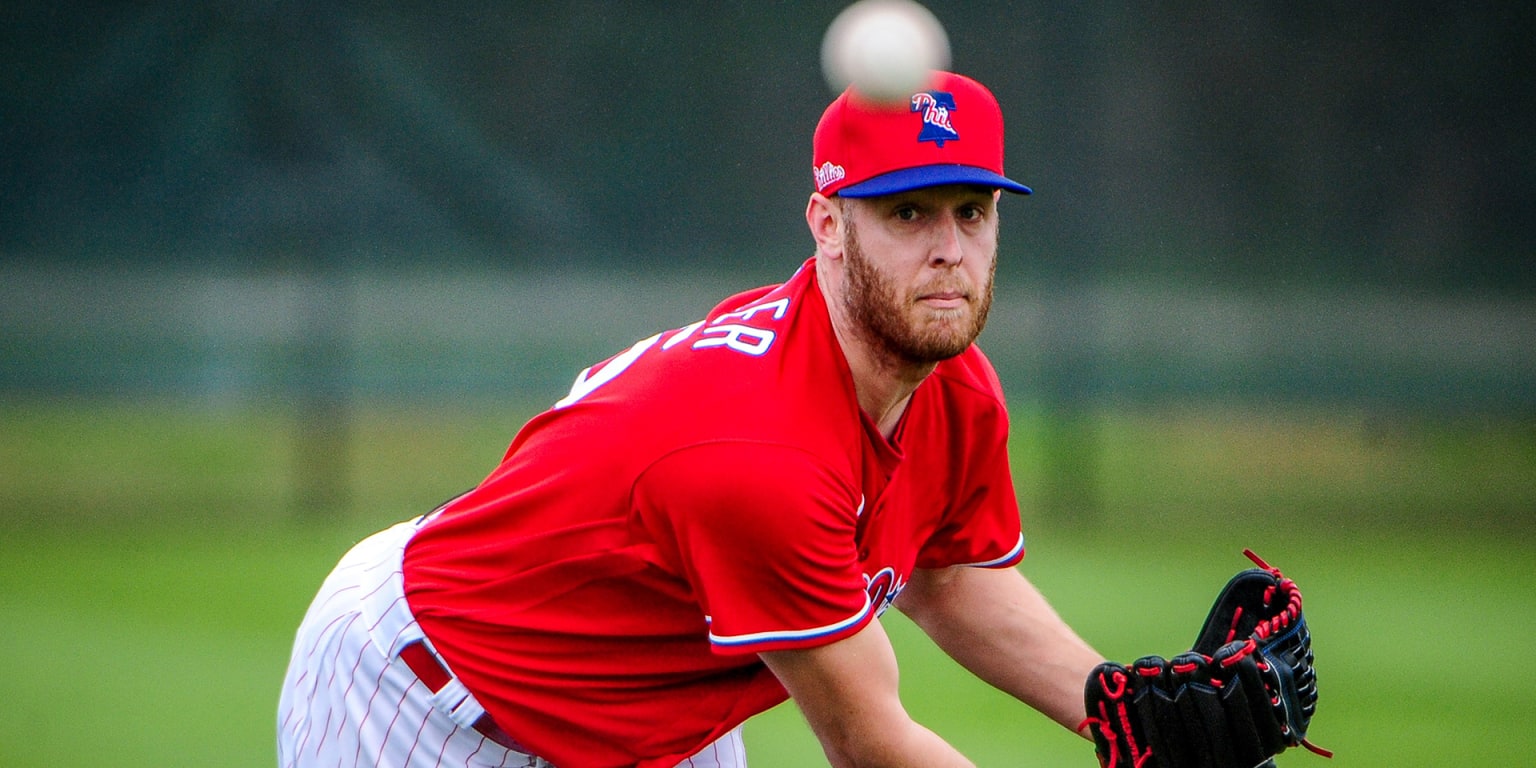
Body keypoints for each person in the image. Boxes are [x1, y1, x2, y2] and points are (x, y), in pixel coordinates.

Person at [277, 70, 1107, 768]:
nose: (950, 250)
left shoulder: (956, 391)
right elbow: (869, 739)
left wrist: (1126, 712)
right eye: (907, 213)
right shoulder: (763, 451)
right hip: (424, 698)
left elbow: (949, 576)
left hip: (647, 712)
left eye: (973, 211)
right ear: (827, 226)